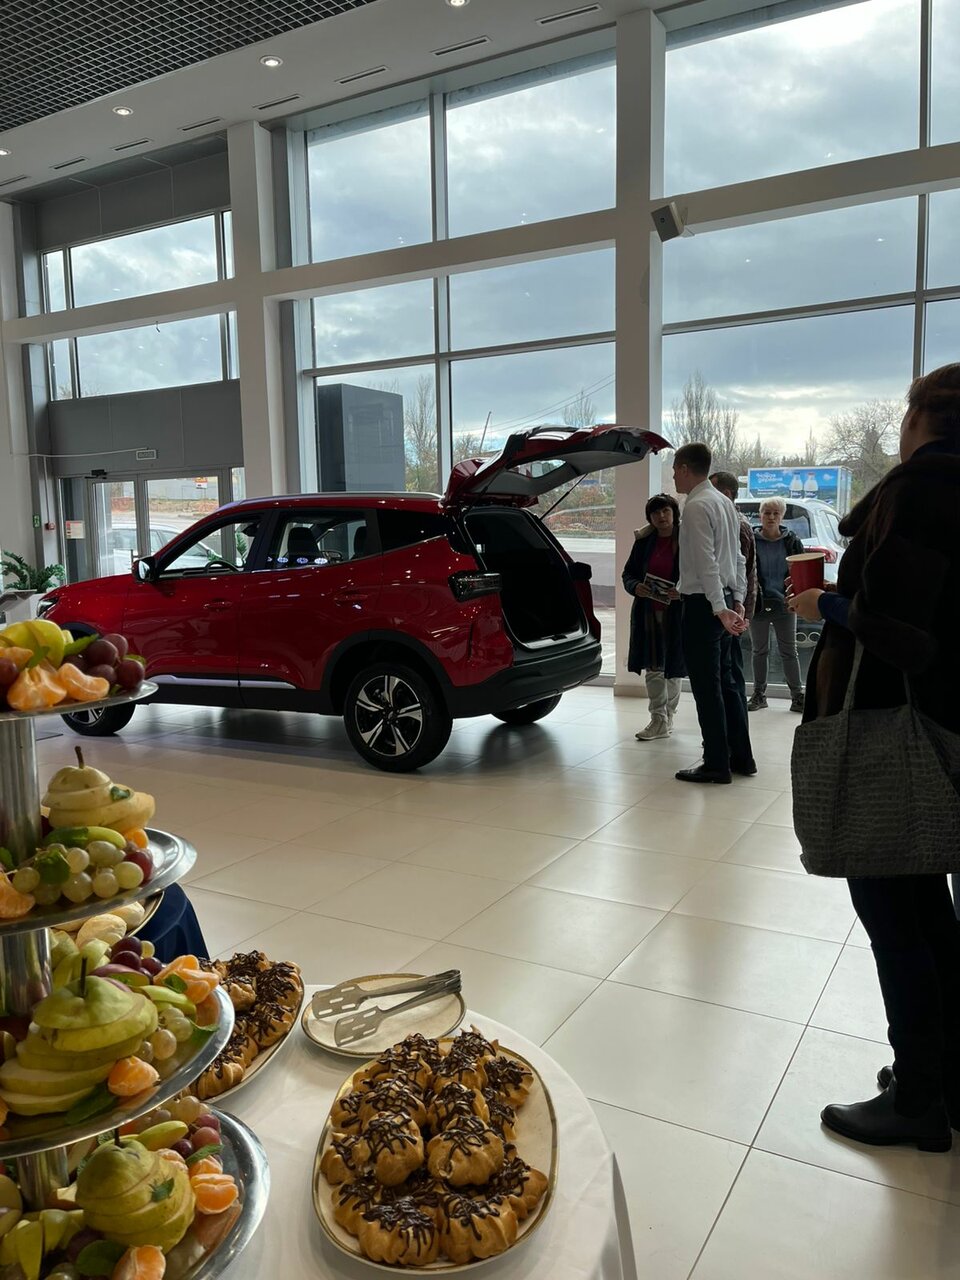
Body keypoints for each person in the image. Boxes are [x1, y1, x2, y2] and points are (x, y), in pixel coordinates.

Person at [788, 363, 960, 1152]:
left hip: (891, 730)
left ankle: (918, 1098)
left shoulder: (921, 490)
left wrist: (823, 602)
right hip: (940, 723)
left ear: (921, 417)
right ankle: (946, 1076)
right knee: (930, 911)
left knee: (894, 918)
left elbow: (897, 633)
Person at [672, 443, 754, 785]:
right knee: (729, 683)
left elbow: (706, 562)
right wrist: (737, 600)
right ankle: (741, 757)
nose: (674, 476)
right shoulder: (723, 503)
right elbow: (738, 559)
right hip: (724, 600)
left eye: (675, 469)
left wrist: (719, 608)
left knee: (707, 688)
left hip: (703, 605)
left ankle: (716, 763)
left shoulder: (696, 505)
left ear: (685, 468)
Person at [622, 493, 685, 741]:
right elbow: (628, 574)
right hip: (649, 614)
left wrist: (682, 589)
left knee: (674, 667)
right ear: (649, 517)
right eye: (656, 512)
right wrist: (635, 586)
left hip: (677, 613)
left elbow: (698, 572)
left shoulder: (687, 539)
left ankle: (669, 715)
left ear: (674, 514)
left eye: (666, 511)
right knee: (654, 666)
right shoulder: (644, 542)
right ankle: (658, 718)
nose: (661, 516)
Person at [748, 497, 806, 713]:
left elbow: (802, 572)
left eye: (776, 513)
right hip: (758, 604)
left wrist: (798, 598)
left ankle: (797, 696)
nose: (771, 517)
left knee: (789, 651)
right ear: (760, 515)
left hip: (786, 603)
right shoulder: (751, 541)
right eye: (767, 513)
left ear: (782, 516)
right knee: (759, 651)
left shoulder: (792, 541)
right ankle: (759, 695)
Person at [709, 471, 758, 625]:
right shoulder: (731, 521)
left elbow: (739, 567)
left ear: (726, 494)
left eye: (711, 490)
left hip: (732, 604)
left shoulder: (737, 525)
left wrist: (738, 602)